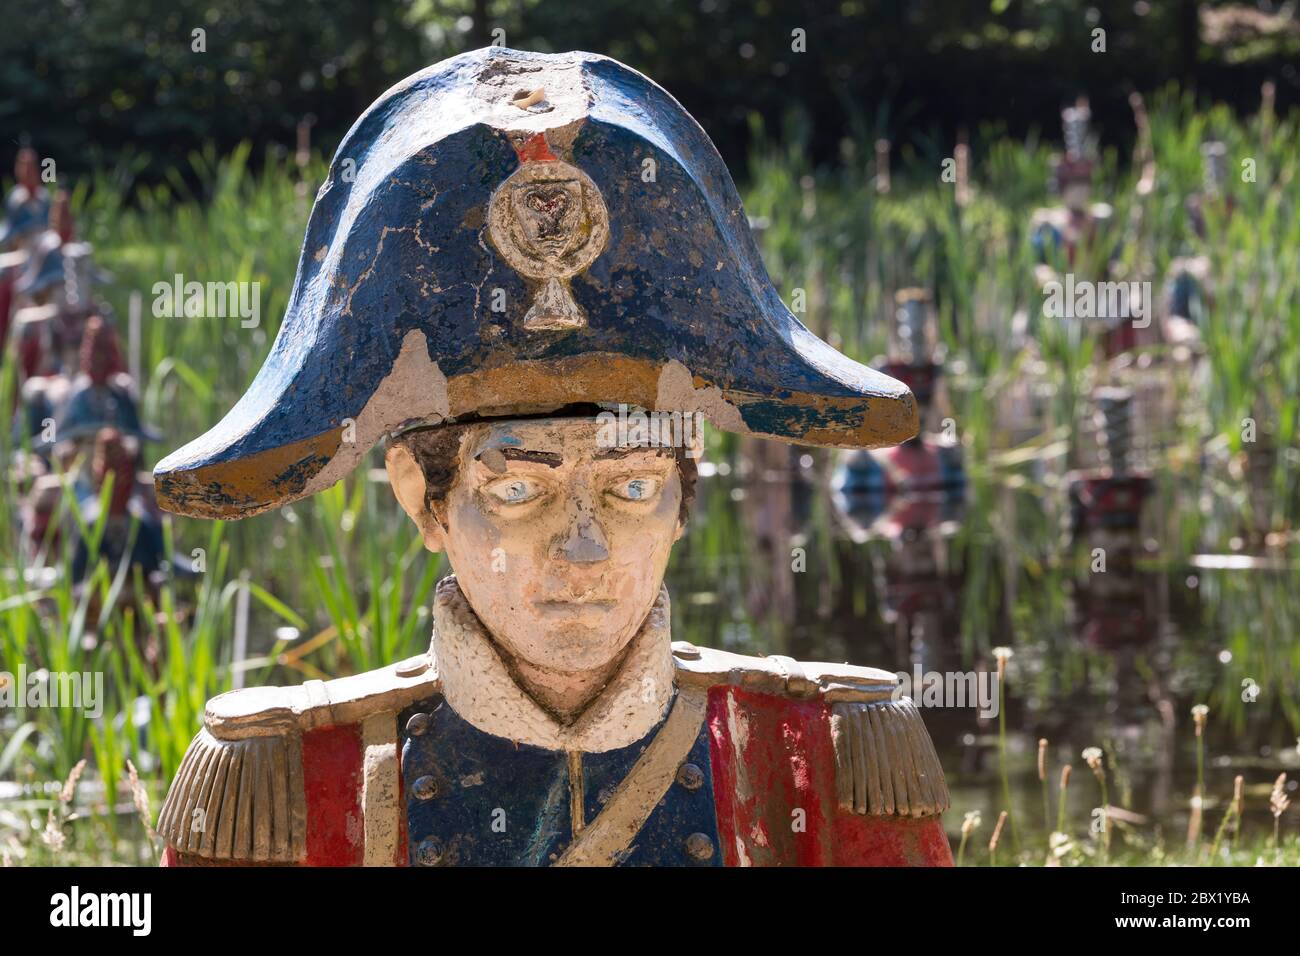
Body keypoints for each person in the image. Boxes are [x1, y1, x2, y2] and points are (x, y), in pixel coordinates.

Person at [154, 48, 951, 867]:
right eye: (519, 489)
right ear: (421, 499)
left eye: (634, 486)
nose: (585, 548)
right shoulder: (287, 783)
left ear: (687, 494)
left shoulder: (813, 760)